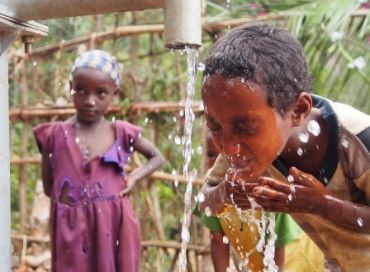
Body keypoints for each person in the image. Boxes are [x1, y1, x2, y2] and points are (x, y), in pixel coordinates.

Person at [199, 23, 370, 271]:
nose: (228, 146)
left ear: (298, 110)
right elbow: (205, 201)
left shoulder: (357, 139)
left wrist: (324, 205)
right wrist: (226, 193)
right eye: (214, 127)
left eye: (246, 128)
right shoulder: (239, 147)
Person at [33, 50, 165, 271]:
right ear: (70, 88)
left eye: (100, 93)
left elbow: (157, 157)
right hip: (71, 229)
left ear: (115, 93)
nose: (89, 101)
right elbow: (49, 188)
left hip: (113, 224)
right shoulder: (54, 136)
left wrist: (133, 177)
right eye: (81, 90)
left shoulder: (120, 132)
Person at [194, 131, 309, 272]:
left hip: (299, 260)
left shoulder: (268, 192)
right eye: (211, 155)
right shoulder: (213, 196)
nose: (219, 163)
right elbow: (218, 243)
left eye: (223, 157)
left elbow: (278, 252)